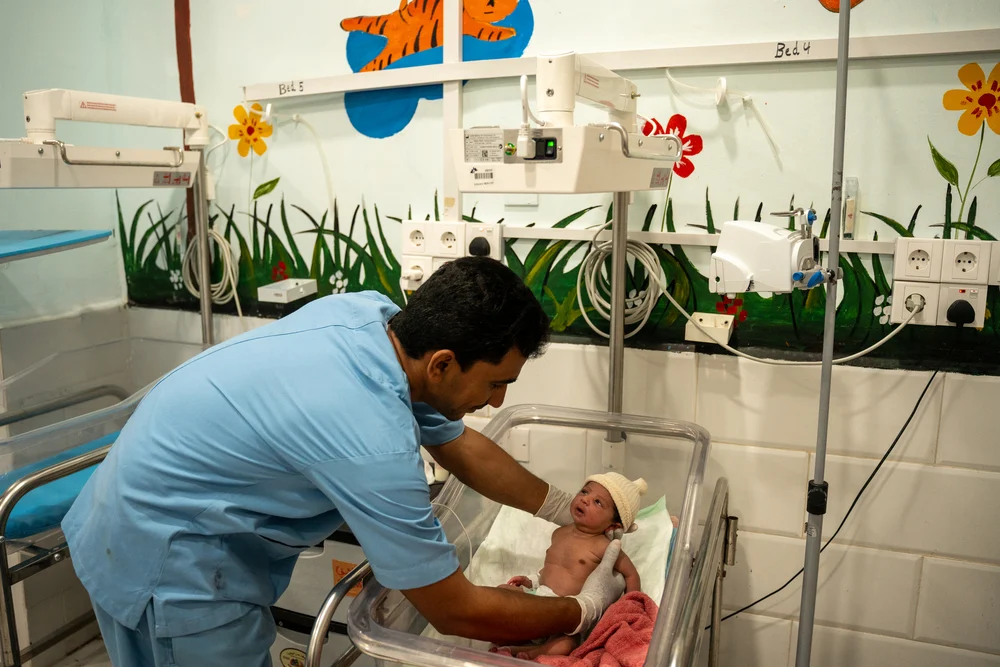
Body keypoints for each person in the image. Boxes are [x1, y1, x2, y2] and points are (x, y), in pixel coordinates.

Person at [61, 256, 626, 667]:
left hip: (131, 508)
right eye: (496, 384)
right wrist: (580, 609)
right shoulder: (370, 438)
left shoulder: (370, 319)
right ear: (444, 364)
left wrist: (562, 508)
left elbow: (459, 444)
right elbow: (457, 611)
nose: (498, 402)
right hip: (168, 565)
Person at [495, 474, 647, 659]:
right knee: (503, 592)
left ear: (612, 525)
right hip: (538, 599)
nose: (585, 499)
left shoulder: (604, 547)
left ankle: (526, 652)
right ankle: (509, 639)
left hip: (565, 615)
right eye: (584, 491)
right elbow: (552, 568)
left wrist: (629, 605)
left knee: (567, 645)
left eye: (598, 502)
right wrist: (530, 581)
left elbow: (631, 574)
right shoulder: (559, 533)